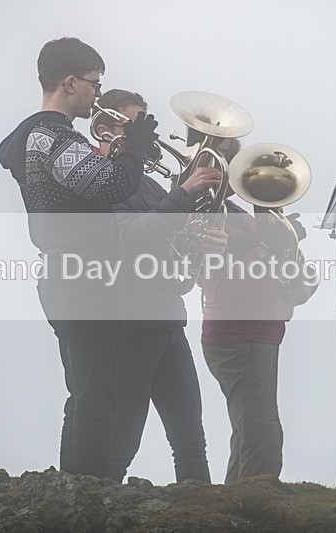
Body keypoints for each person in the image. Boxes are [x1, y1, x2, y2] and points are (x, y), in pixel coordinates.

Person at [0, 38, 159, 478]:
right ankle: (90, 500)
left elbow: (89, 184)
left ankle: (73, 495)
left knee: (86, 393)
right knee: (97, 397)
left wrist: (116, 153)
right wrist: (137, 146)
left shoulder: (43, 136)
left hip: (68, 276)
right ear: (70, 83)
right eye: (94, 84)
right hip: (82, 277)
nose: (98, 94)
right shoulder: (51, 133)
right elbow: (110, 186)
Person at [94, 88, 226, 483]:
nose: (148, 139)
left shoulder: (150, 186)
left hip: (169, 321)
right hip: (129, 326)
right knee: (121, 443)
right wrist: (184, 193)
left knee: (190, 439)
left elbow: (178, 262)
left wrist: (201, 243)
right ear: (105, 129)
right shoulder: (102, 183)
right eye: (135, 126)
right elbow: (132, 239)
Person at [197, 138, 316, 483]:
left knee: (253, 435)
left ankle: (235, 508)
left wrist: (285, 247)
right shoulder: (208, 217)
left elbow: (290, 284)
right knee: (261, 437)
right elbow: (225, 285)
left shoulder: (242, 217)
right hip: (239, 337)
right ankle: (249, 511)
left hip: (257, 335)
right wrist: (268, 246)